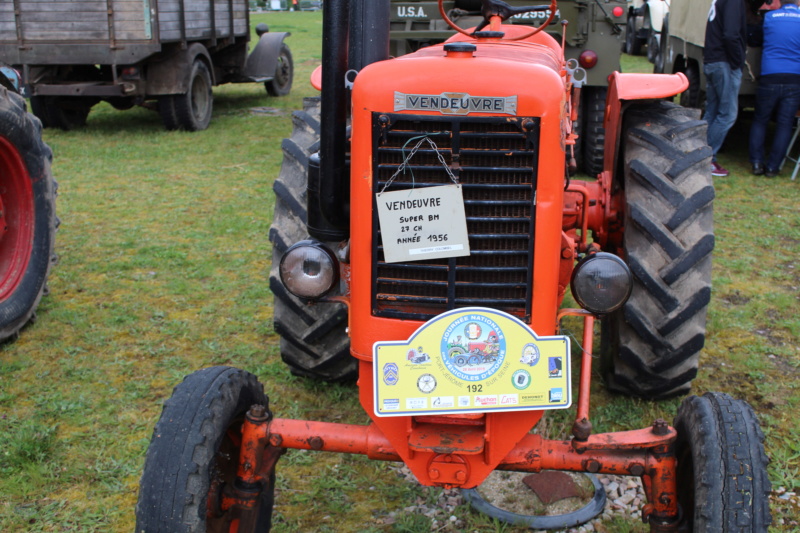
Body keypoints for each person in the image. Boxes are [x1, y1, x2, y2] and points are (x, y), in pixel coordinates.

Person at [748, 0, 800, 177]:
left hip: (769, 75)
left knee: (760, 119)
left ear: (780, 2)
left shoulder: (769, 17)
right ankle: (772, 167)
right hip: (795, 78)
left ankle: (756, 163)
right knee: (785, 124)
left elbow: (754, 39)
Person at [704, 0, 748, 177]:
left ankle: (697, 155)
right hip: (724, 63)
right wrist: (738, 61)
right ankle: (707, 159)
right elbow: (730, 34)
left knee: (712, 112)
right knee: (727, 114)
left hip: (712, 60)